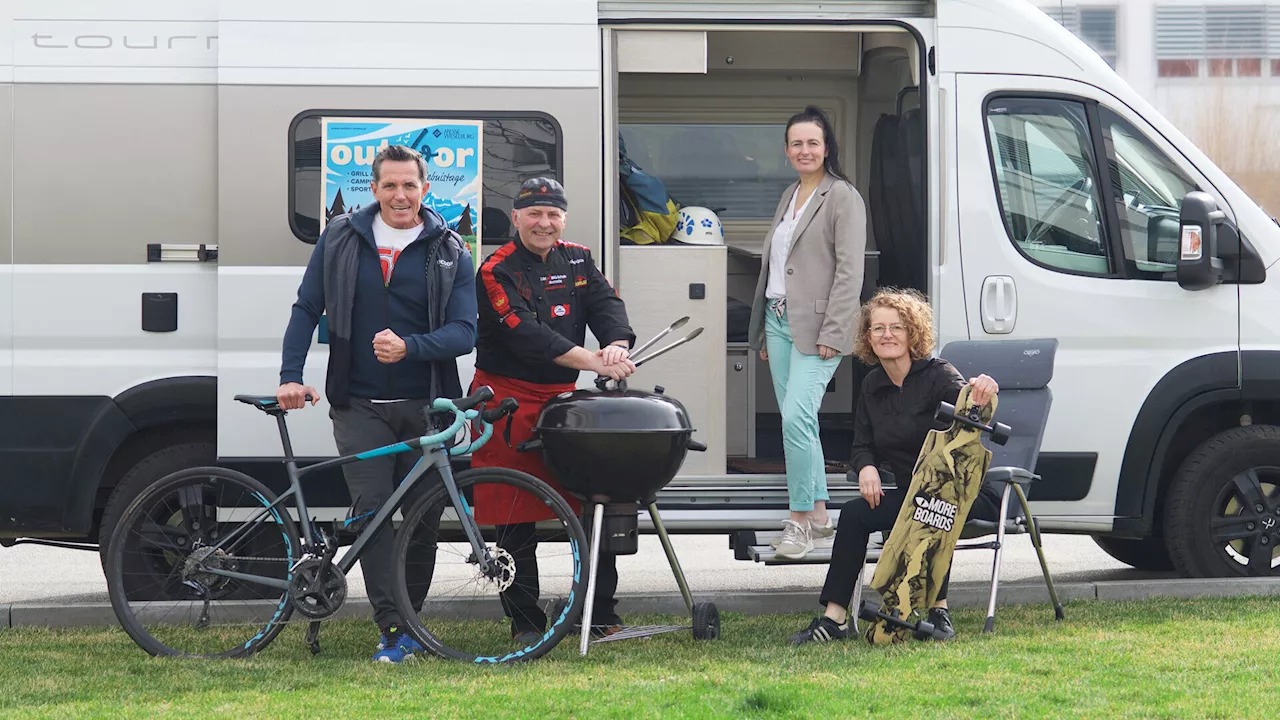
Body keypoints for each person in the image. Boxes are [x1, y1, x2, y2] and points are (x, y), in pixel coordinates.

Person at [276, 144, 478, 663]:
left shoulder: (450, 248)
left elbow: (464, 331)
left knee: (423, 520)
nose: (400, 195)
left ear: (426, 189)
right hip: (358, 403)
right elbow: (306, 307)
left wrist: (412, 347)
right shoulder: (340, 237)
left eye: (409, 185)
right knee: (373, 515)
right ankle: (392, 628)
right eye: (389, 185)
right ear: (374, 188)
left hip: (427, 405)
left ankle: (411, 621)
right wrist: (290, 376)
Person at [470, 177, 637, 645]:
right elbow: (524, 332)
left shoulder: (580, 257)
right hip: (506, 399)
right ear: (517, 218)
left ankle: (597, 611)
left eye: (553, 214)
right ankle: (524, 620)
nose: (544, 223)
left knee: (594, 503)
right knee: (512, 512)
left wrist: (616, 343)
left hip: (565, 398)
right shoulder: (495, 269)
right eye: (534, 214)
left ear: (563, 218)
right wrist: (593, 361)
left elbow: (608, 305)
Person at [787, 288, 1002, 645]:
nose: (887, 335)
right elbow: (861, 445)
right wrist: (867, 467)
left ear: (912, 332)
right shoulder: (873, 386)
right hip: (910, 494)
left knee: (932, 506)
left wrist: (983, 390)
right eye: (878, 328)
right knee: (857, 515)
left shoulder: (938, 376)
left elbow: (972, 412)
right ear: (867, 337)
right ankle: (834, 619)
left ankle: (938, 611)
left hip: (964, 493)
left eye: (896, 327)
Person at [747, 105, 868, 560]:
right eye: (796, 143)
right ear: (786, 150)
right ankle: (820, 517)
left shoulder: (843, 197)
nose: (804, 150)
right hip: (779, 322)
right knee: (800, 422)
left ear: (827, 147)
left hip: (820, 327)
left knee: (796, 418)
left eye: (812, 142)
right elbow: (777, 267)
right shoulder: (790, 194)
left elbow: (849, 272)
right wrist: (761, 330)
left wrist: (835, 331)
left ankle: (797, 521)